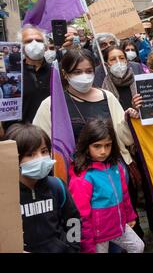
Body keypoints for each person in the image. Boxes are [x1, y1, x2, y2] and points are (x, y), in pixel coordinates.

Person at [68, 119, 145, 253]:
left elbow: (124, 193)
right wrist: (87, 245)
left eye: (107, 145)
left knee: (138, 246)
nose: (103, 151)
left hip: (118, 225)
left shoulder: (116, 167)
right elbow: (81, 216)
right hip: (97, 235)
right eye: (97, 146)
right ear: (86, 146)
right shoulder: (83, 178)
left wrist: (130, 215)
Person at [4, 123, 81, 253]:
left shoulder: (57, 186)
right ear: (14, 158)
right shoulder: (5, 195)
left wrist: (72, 248)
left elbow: (73, 219)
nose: (40, 158)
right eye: (30, 154)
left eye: (44, 151)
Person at [17, 25, 51, 124]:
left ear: (46, 46)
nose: (34, 44)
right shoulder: (13, 74)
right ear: (21, 47)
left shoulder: (56, 71)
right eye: (28, 41)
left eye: (39, 40)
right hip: (20, 134)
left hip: (50, 132)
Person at [95, 46, 139, 111]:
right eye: (113, 59)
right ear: (107, 65)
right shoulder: (103, 90)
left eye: (122, 58)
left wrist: (138, 108)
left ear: (126, 61)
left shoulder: (139, 82)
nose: (118, 62)